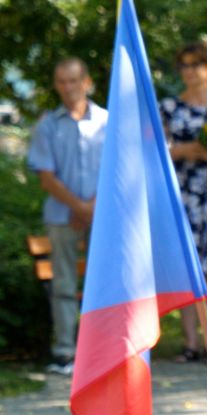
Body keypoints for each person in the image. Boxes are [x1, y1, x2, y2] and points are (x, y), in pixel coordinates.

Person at [27, 58, 108, 376]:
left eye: (73, 80)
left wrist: (93, 208)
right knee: (63, 284)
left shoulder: (106, 120)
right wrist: (79, 207)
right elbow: (46, 177)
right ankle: (65, 352)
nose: (67, 87)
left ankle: (103, 351)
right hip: (62, 216)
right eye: (61, 81)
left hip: (103, 217)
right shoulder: (47, 124)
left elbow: (118, 170)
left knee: (103, 284)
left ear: (86, 82)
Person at [160, 41, 207, 362]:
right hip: (183, 194)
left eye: (196, 64)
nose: (189, 71)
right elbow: (155, 151)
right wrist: (186, 151)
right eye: (184, 65)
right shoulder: (170, 107)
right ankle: (190, 343)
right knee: (187, 267)